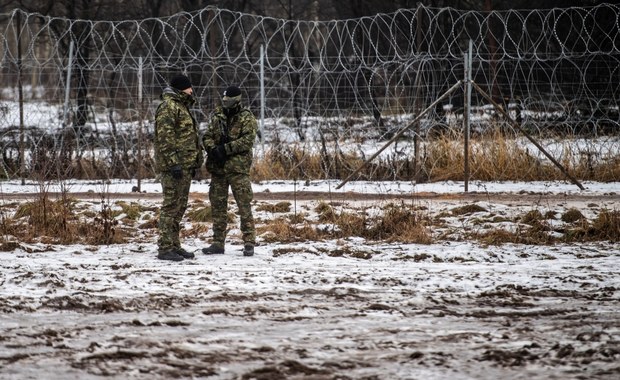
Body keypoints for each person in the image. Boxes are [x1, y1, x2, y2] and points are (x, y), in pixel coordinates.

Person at [202, 85, 258, 256]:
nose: (226, 103)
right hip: (218, 169)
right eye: (224, 99)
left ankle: (249, 242)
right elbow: (207, 136)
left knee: (244, 205)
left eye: (229, 100)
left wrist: (225, 149)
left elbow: (247, 140)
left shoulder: (246, 118)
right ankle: (218, 242)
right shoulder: (218, 116)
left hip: (237, 169)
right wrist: (213, 149)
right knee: (218, 207)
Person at [153, 74, 204, 261]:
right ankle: (165, 247)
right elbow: (165, 139)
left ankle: (174, 244)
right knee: (171, 206)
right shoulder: (169, 107)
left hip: (184, 165)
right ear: (183, 89)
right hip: (174, 166)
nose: (192, 91)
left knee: (179, 206)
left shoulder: (181, 106)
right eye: (189, 87)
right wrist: (174, 163)